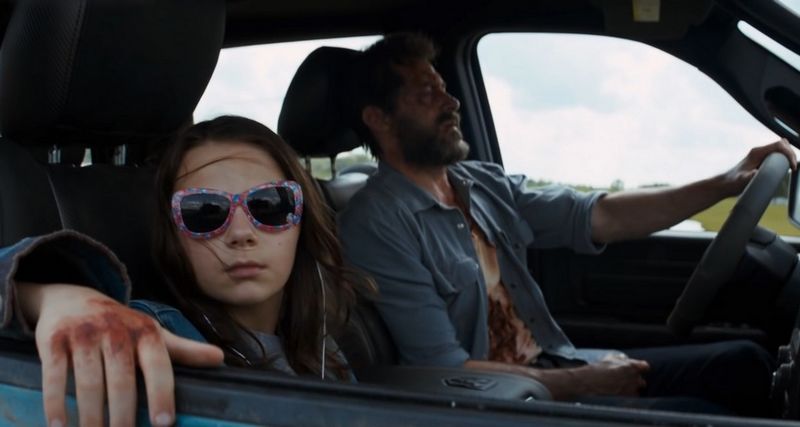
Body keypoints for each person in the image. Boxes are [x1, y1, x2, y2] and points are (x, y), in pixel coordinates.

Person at [338, 33, 796, 415]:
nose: (451, 102)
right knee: (704, 415)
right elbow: (444, 369)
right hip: (506, 404)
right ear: (379, 119)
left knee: (745, 364)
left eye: (444, 88)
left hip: (555, 364)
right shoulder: (377, 224)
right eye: (427, 93)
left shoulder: (480, 183)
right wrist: (585, 382)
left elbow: (600, 215)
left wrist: (724, 183)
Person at [3, 115, 372, 426]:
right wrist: (49, 297)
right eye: (204, 212)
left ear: (301, 221)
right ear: (172, 236)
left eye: (270, 204)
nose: (241, 233)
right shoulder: (154, 336)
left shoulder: (321, 343)